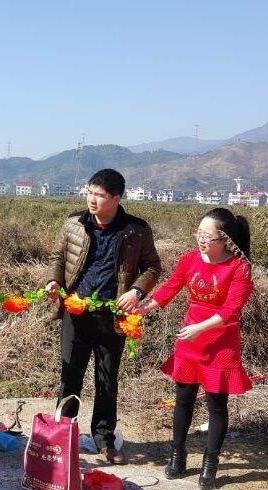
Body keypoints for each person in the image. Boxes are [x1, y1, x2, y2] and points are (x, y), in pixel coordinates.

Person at [45, 168, 162, 464]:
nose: (92, 199)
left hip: (112, 316)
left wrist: (136, 291)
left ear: (116, 198)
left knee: (106, 379)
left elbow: (152, 267)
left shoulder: (136, 230)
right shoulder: (74, 224)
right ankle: (63, 436)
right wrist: (54, 280)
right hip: (76, 312)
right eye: (90, 192)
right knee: (69, 376)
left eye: (99, 195)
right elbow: (58, 257)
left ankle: (104, 439)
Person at [138, 208, 253, 489]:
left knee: (216, 404)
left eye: (207, 236)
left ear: (224, 239)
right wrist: (145, 307)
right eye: (199, 234)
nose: (201, 240)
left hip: (220, 343)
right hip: (190, 340)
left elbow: (232, 309)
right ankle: (178, 455)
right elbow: (171, 287)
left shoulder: (239, 267)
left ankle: (210, 463)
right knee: (183, 399)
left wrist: (200, 328)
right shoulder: (190, 259)